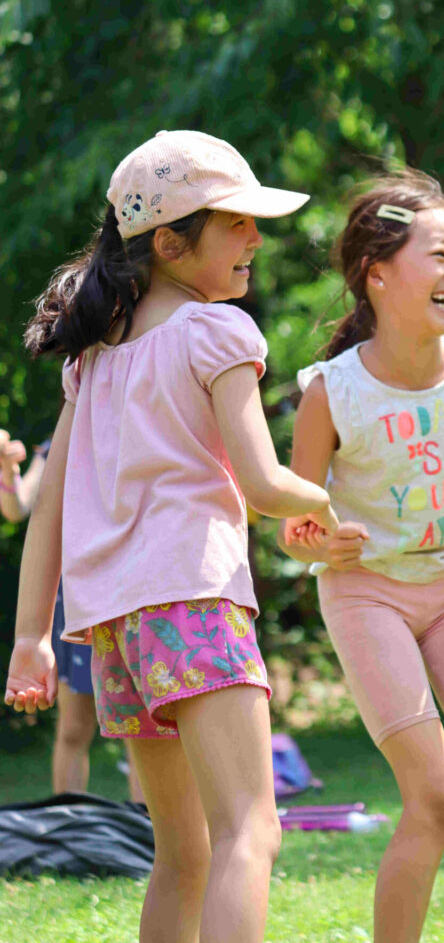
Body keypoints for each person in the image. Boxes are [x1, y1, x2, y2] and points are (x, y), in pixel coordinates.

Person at [4, 129, 337, 943]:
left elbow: (45, 512)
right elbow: (264, 485)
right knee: (249, 833)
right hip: (192, 602)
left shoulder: (91, 360)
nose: (255, 237)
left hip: (116, 631)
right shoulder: (216, 334)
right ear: (169, 242)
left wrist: (28, 640)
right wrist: (325, 500)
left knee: (182, 855)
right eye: (235, 223)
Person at [279, 172, 444, 943]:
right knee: (434, 799)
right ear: (378, 271)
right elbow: (294, 514)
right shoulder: (333, 392)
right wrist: (315, 537)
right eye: (440, 256)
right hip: (366, 596)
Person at [0, 427, 144, 799]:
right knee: (73, 729)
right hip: (77, 599)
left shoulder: (135, 425)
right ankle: (69, 823)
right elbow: (17, 509)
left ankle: (150, 835)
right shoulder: (58, 443)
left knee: (139, 726)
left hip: (132, 588)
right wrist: (6, 470)